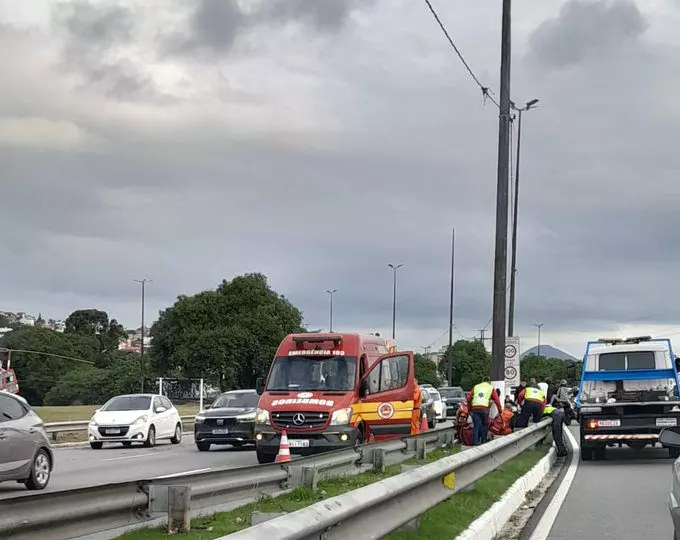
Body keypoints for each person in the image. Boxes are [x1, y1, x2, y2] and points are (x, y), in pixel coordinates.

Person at [467, 376, 503, 445]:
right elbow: (497, 400)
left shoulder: (476, 387)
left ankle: (475, 442)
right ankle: (483, 441)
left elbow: (469, 398)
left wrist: (469, 408)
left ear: (482, 380)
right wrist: (500, 410)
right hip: (484, 409)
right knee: (485, 425)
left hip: (475, 408)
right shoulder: (490, 388)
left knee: (476, 425)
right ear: (489, 382)